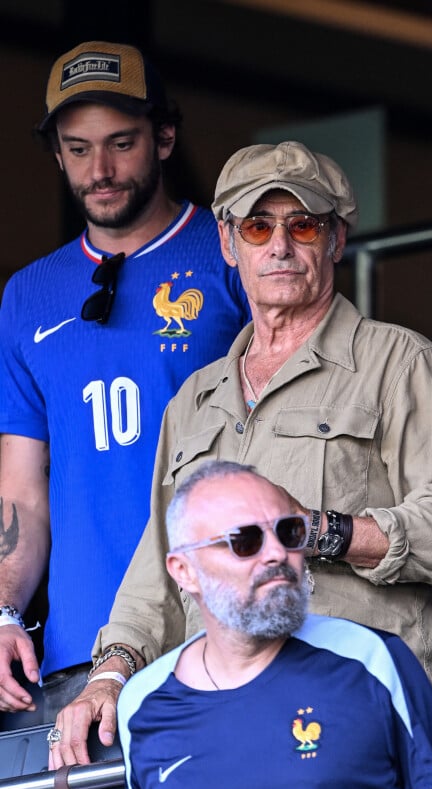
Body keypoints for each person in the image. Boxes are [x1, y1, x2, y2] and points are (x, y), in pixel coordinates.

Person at [50, 139, 432, 768]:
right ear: (229, 245)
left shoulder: (399, 363)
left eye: (302, 225)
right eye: (258, 226)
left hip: (355, 718)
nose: (280, 246)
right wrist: (110, 674)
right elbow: (160, 566)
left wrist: (319, 531)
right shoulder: (195, 401)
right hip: (217, 730)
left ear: (334, 240)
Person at [0, 40, 250, 726]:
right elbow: (22, 490)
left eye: (121, 143)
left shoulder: (232, 253)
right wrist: (3, 611)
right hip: (79, 656)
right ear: (55, 152)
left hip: (218, 632)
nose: (100, 170)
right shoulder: (28, 295)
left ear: (164, 136)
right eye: (77, 149)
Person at [117, 459, 432, 789]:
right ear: (184, 571)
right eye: (245, 540)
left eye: (290, 532)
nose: (278, 553)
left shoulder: (371, 659)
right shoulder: (142, 704)